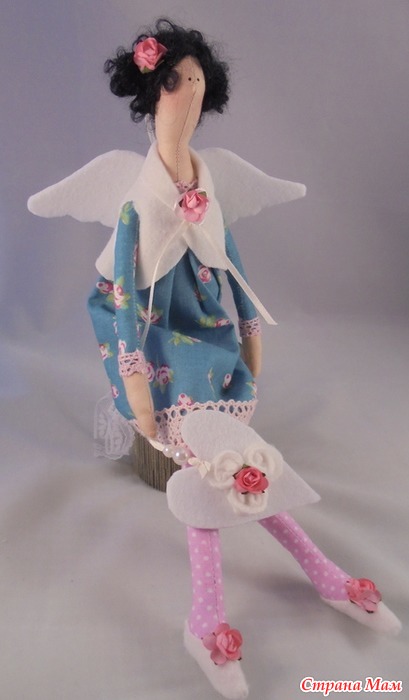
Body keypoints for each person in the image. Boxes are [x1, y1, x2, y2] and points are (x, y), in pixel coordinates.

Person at [28, 19, 401, 700]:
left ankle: (294, 587)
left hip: (204, 321)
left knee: (229, 456)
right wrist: (134, 378)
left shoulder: (209, 182)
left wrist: (251, 325)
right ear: (152, 92)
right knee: (212, 457)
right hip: (152, 330)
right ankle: (233, 610)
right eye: (178, 82)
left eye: (199, 83)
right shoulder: (136, 197)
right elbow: (122, 291)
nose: (190, 95)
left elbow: (230, 259)